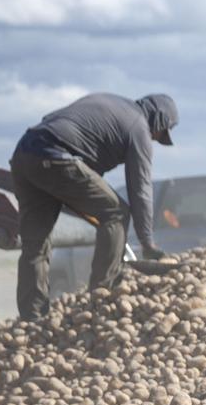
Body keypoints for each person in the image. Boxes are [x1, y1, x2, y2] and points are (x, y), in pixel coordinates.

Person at [10, 93, 177, 321]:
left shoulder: (111, 103)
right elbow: (140, 189)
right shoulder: (139, 128)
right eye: (161, 133)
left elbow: (53, 121)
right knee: (117, 213)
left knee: (35, 244)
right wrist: (147, 242)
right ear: (158, 120)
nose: (157, 138)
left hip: (25, 154)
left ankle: (32, 318)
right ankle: (102, 296)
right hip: (56, 155)